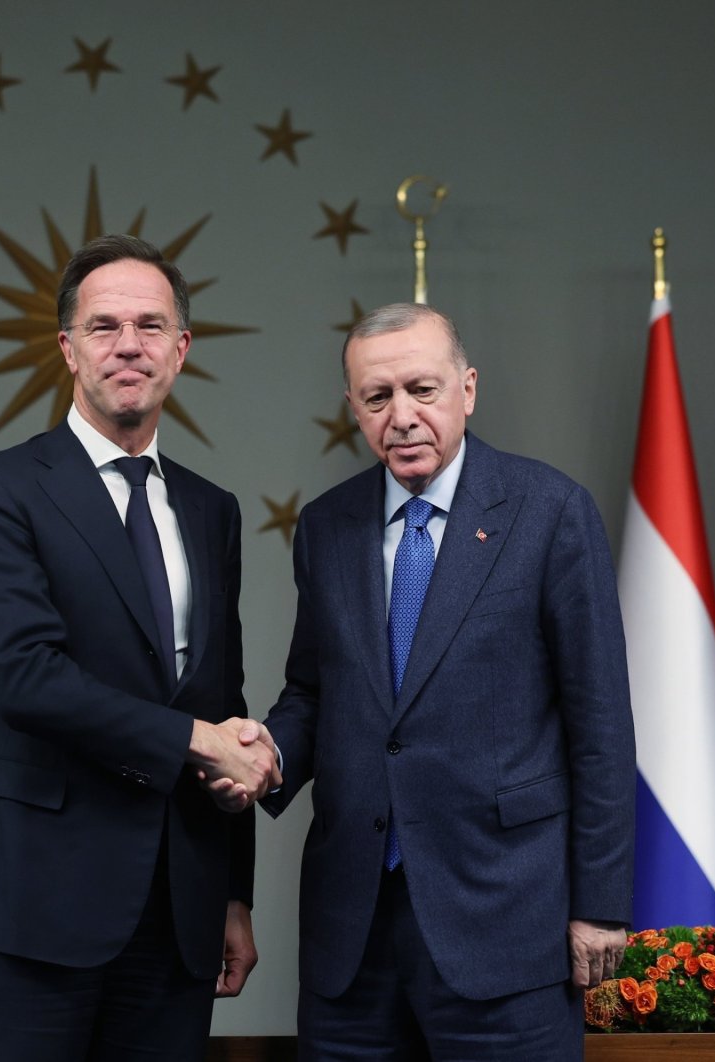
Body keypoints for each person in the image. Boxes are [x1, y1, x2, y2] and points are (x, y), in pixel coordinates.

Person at [252, 302, 634, 1060]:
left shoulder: (550, 512)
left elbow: (601, 726)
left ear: (467, 388)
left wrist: (600, 905)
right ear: (355, 409)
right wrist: (264, 758)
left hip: (504, 922)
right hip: (352, 936)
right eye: (377, 397)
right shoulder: (328, 526)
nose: (401, 416)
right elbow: (313, 692)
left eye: (421, 390)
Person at [0, 234, 279, 1062]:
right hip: (32, 904)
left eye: (152, 325)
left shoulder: (212, 510)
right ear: (68, 348)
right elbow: (24, 676)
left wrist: (233, 893)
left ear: (181, 349)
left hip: (177, 910)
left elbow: (220, 697)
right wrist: (198, 743)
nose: (130, 344)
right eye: (105, 326)